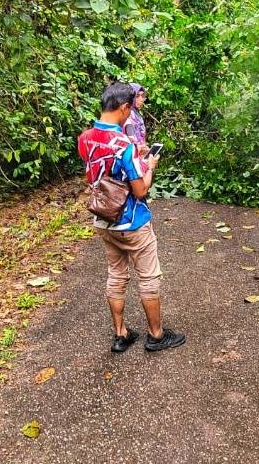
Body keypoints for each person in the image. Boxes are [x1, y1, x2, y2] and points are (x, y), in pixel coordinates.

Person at [77, 81, 185, 353]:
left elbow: (102, 169)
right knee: (148, 278)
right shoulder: (124, 144)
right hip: (132, 222)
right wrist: (149, 167)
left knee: (116, 275)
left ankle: (121, 334)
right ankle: (156, 336)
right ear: (124, 107)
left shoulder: (85, 138)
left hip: (103, 220)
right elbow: (140, 190)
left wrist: (134, 158)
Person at [123, 83, 149, 156]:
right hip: (131, 155)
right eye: (137, 96)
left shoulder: (137, 115)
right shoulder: (128, 113)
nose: (141, 99)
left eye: (143, 96)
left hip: (139, 153)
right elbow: (130, 138)